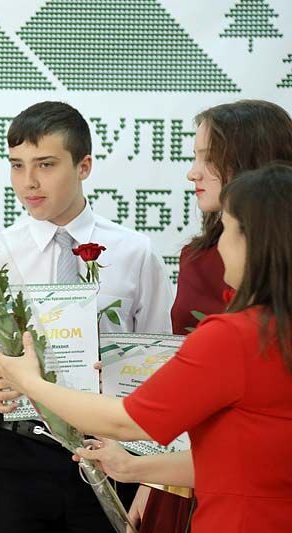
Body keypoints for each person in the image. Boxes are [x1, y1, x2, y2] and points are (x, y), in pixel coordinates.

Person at [0, 163, 292, 533]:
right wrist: (135, 468)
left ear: (256, 242)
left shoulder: (235, 338)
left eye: (226, 230)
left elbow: (125, 421)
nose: (219, 246)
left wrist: (31, 382)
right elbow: (244, 460)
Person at [0, 101, 173, 533]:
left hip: (109, 451)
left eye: (46, 164)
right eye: (17, 166)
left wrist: (143, 458)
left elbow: (158, 364)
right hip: (18, 451)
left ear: (84, 166)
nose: (28, 182)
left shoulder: (134, 252)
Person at [130, 100, 292, 532]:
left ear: (252, 163)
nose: (192, 173)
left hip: (256, 484)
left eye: (208, 159)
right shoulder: (198, 257)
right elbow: (179, 383)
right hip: (182, 470)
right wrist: (153, 474)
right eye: (194, 157)